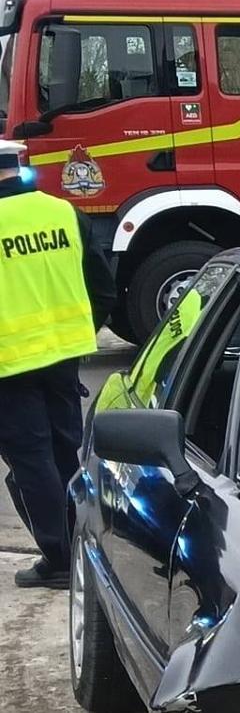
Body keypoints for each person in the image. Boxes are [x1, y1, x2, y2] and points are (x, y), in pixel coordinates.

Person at [0, 140, 114, 589]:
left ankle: (61, 558)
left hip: (9, 363)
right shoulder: (65, 214)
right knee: (66, 452)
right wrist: (78, 332)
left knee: (31, 459)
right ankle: (83, 544)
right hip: (65, 357)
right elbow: (103, 289)